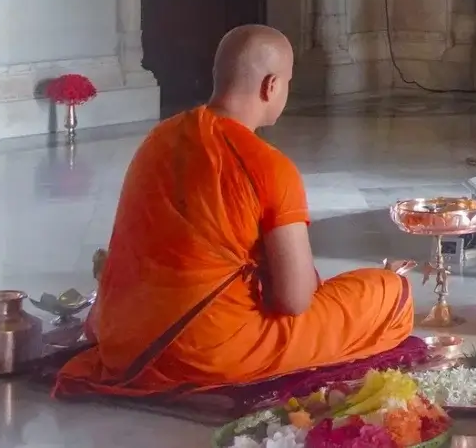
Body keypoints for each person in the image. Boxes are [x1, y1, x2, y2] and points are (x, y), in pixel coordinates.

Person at [55, 25, 413, 398]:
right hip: (207, 352)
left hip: (123, 342)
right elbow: (293, 300)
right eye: (287, 82)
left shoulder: (157, 140)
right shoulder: (268, 166)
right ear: (271, 86)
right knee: (387, 293)